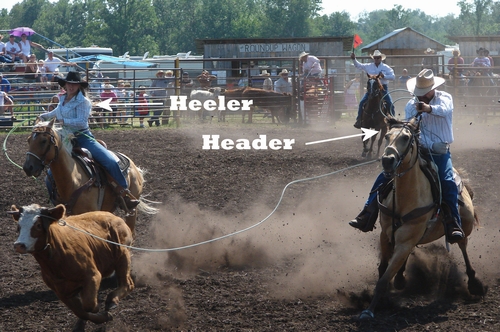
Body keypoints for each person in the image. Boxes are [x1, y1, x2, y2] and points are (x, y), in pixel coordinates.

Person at [349, 69, 464, 244]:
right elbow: (413, 132)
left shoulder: (444, 98)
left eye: (425, 92)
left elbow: (445, 110)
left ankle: (453, 222)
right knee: (384, 176)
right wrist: (426, 142)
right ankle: (367, 212)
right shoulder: (411, 105)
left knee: (447, 180)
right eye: (420, 92)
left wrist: (428, 108)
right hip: (420, 149)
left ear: (433, 88)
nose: (422, 96)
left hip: (440, 152)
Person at [38, 71, 139, 212]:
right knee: (50, 174)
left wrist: (62, 121)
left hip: (82, 137)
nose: (71, 86)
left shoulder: (84, 102)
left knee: (109, 161)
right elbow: (56, 112)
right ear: (65, 85)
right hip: (64, 138)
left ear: (79, 86)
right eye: (69, 83)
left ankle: (125, 193)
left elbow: (81, 122)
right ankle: (56, 199)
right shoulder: (62, 98)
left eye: (74, 84)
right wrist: (43, 116)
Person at [351, 50, 395, 129]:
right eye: (375, 58)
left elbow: (393, 76)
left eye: (378, 58)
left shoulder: (386, 67)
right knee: (361, 103)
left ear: (381, 58)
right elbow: (358, 65)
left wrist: (384, 76)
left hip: (383, 88)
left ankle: (393, 122)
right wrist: (354, 59)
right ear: (373, 58)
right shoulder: (369, 66)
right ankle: (359, 120)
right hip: (371, 88)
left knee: (390, 103)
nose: (376, 59)